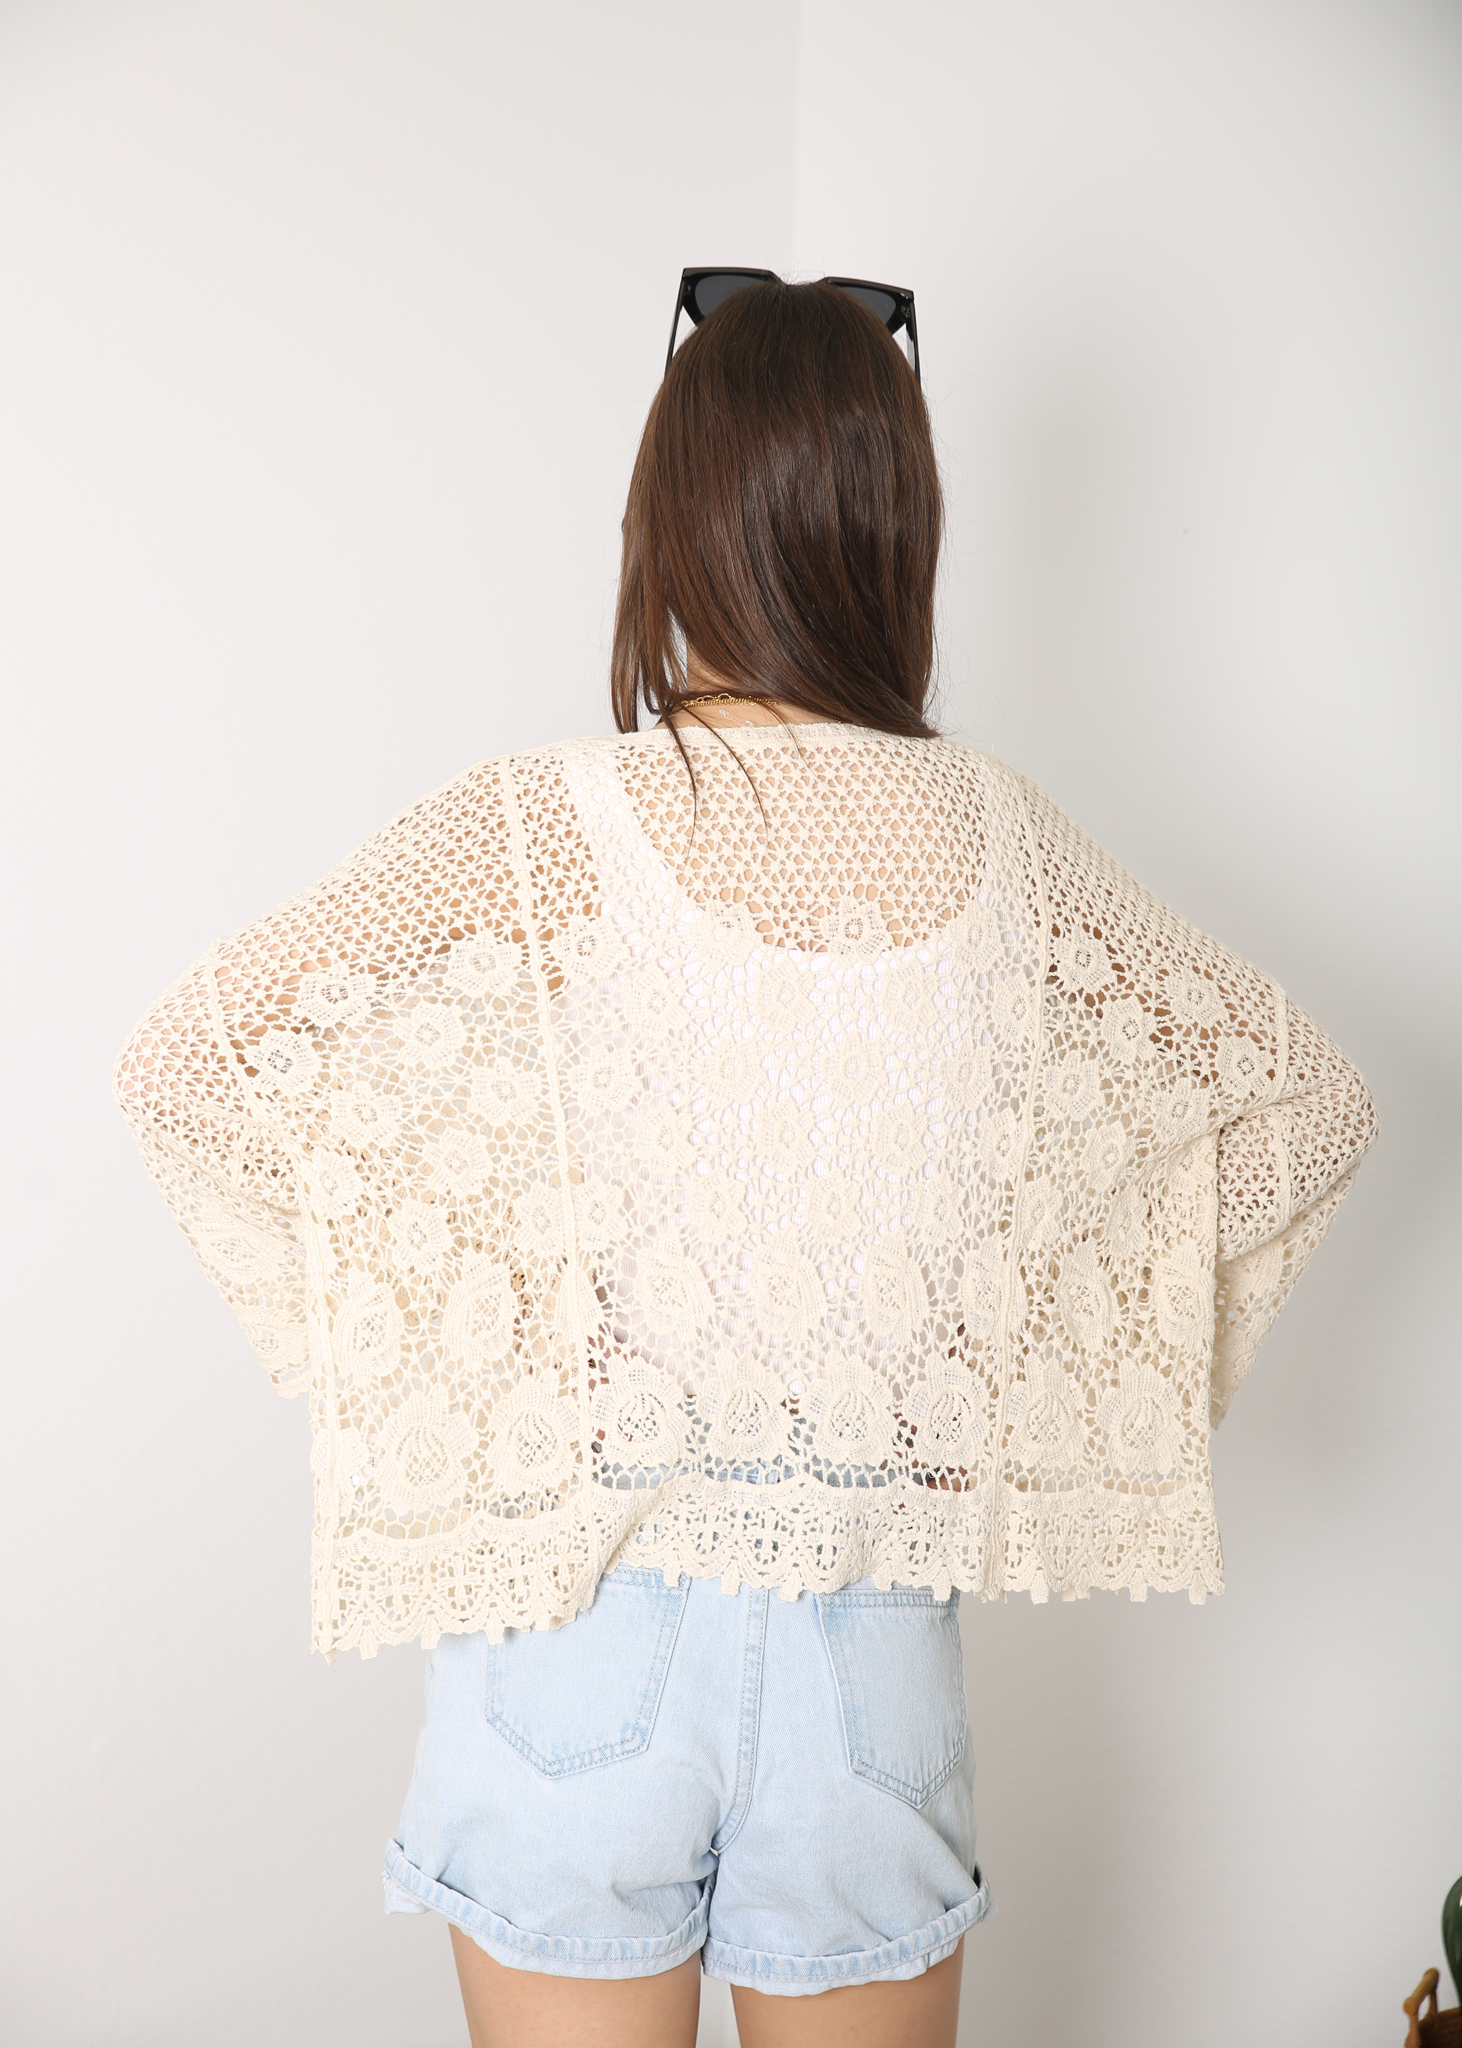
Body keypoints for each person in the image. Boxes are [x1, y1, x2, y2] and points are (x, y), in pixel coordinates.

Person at [113, 276, 1377, 2048]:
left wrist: (437, 1381)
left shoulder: (537, 826)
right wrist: (1062, 1376)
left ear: (670, 518)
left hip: (574, 1633)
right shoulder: (1002, 841)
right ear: (893, 529)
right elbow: (1303, 1106)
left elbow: (193, 1067)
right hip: (874, 1659)